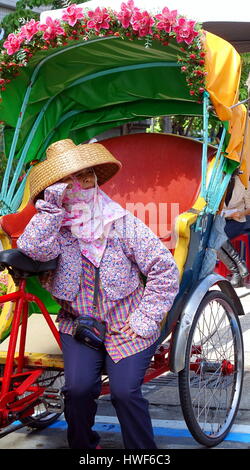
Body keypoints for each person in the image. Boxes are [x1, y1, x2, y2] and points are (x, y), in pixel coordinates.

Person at [17, 138, 179, 450]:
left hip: (127, 322)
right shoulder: (55, 229)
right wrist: (51, 209)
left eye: (86, 177)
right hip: (78, 325)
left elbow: (164, 269)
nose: (80, 186)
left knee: (124, 392)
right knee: (77, 390)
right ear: (55, 189)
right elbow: (32, 249)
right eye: (68, 181)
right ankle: (84, 447)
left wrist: (146, 318)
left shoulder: (121, 222)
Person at [218, 170, 250, 287]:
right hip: (222, 220)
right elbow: (215, 209)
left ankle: (236, 271)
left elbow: (249, 208)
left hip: (238, 221)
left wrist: (241, 213)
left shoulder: (244, 184)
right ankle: (237, 266)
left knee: (217, 237)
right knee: (213, 239)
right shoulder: (218, 185)